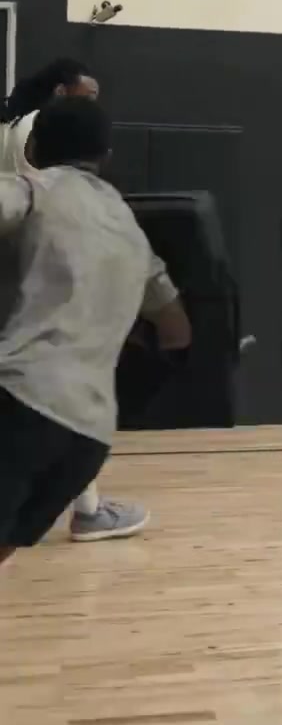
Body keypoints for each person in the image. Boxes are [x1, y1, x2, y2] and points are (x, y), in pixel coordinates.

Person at [0, 97, 191, 564]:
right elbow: (176, 331)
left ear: (33, 147)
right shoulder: (131, 231)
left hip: (19, 401)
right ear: (106, 155)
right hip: (88, 438)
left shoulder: (31, 190)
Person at [0, 59, 148, 541]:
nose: (95, 103)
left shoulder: (19, 129)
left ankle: (87, 509)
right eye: (89, 93)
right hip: (36, 287)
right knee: (58, 396)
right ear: (63, 92)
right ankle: (88, 512)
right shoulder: (45, 157)